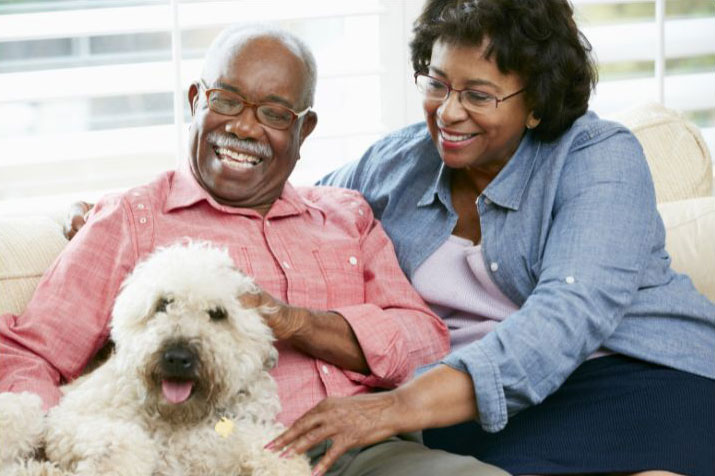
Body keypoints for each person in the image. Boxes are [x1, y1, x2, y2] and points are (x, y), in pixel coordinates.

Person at [0, 25, 508, 476]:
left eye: (272, 112)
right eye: (225, 100)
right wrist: (61, 441)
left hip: (364, 452)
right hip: (211, 456)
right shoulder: (131, 219)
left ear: (303, 129)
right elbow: (29, 354)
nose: (243, 127)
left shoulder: (345, 215)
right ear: (196, 99)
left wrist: (298, 324)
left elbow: (425, 339)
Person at [270, 1, 715, 475]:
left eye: (478, 96)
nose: (448, 112)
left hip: (629, 377)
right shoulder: (394, 165)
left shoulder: (599, 157)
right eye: (437, 83)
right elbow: (291, 217)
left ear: (537, 103)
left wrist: (390, 409)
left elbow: (567, 317)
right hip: (474, 415)